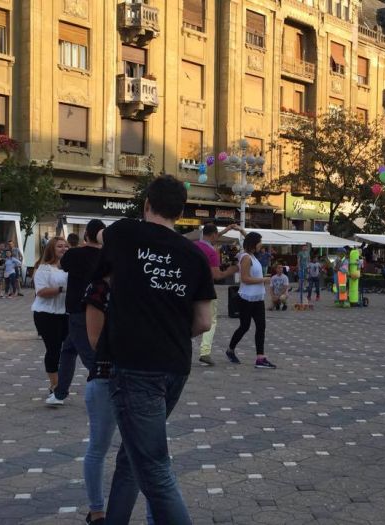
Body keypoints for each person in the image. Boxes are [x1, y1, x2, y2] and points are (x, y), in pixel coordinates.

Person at [92, 175, 214, 524]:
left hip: (136, 367)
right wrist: (168, 331)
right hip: (175, 366)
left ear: (147, 203)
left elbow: (99, 237)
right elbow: (203, 321)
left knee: (155, 469)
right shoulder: (194, 255)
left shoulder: (125, 233)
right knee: (134, 457)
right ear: (181, 211)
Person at [46, 219, 106, 406]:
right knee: (68, 350)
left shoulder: (75, 253)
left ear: (86, 235)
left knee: (89, 355)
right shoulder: (107, 255)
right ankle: (60, 393)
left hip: (79, 310)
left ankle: (109, 390)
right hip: (100, 307)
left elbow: (61, 265)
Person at [194, 223, 241, 366]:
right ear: (214, 235)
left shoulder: (194, 245)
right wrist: (232, 270)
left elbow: (212, 236)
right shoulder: (212, 252)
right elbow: (217, 275)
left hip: (189, 287)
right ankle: (205, 351)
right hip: (206, 289)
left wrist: (226, 229)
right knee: (211, 320)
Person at [226, 232, 276, 368]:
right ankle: (230, 350)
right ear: (254, 244)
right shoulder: (246, 258)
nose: (261, 244)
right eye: (259, 241)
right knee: (244, 327)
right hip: (246, 298)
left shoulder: (253, 256)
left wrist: (240, 229)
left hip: (258, 298)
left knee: (261, 327)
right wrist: (263, 279)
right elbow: (245, 278)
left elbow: (248, 237)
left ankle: (260, 358)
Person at [31, 236, 69, 392]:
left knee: (68, 349)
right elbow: (41, 291)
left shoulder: (69, 268)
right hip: (46, 314)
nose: (64, 249)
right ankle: (55, 385)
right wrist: (62, 289)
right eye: (59, 246)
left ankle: (62, 381)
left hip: (65, 313)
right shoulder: (44, 268)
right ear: (51, 249)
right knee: (54, 349)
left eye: (66, 246)